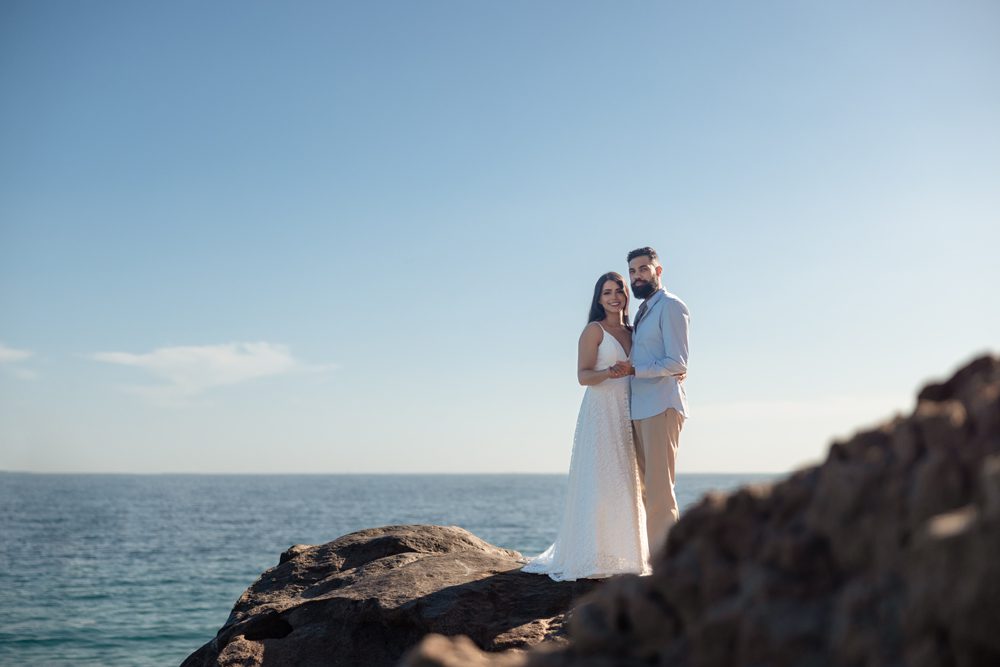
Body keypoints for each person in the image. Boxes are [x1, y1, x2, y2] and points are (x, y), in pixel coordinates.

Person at [521, 272, 651, 581]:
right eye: (607, 292)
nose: (614, 297)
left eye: (618, 291)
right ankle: (590, 554)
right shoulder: (594, 330)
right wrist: (609, 372)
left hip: (629, 410)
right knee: (599, 479)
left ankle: (629, 554)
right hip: (600, 411)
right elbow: (583, 376)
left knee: (627, 481)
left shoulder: (634, 331)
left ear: (626, 295)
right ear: (599, 299)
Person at [616, 246, 690, 554]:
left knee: (660, 492)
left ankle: (668, 564)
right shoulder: (644, 310)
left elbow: (677, 362)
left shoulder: (671, 306)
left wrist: (635, 369)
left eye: (643, 269)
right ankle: (655, 559)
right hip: (641, 408)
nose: (637, 276)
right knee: (647, 491)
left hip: (661, 406)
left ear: (658, 271)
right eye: (632, 271)